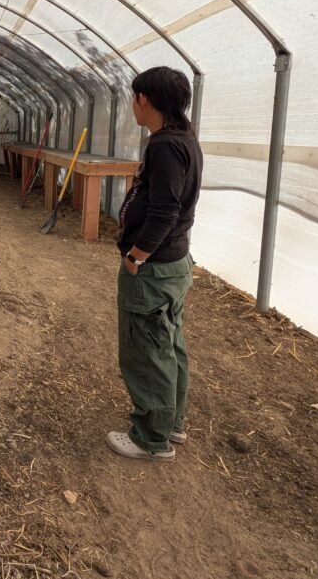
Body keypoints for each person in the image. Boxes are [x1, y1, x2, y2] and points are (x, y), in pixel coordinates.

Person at [107, 66, 203, 462]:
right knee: (168, 344)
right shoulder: (185, 140)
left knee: (146, 350)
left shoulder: (164, 146)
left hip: (153, 269)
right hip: (175, 264)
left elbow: (165, 211)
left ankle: (150, 438)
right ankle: (171, 422)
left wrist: (136, 256)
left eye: (134, 98)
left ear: (144, 100)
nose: (133, 105)